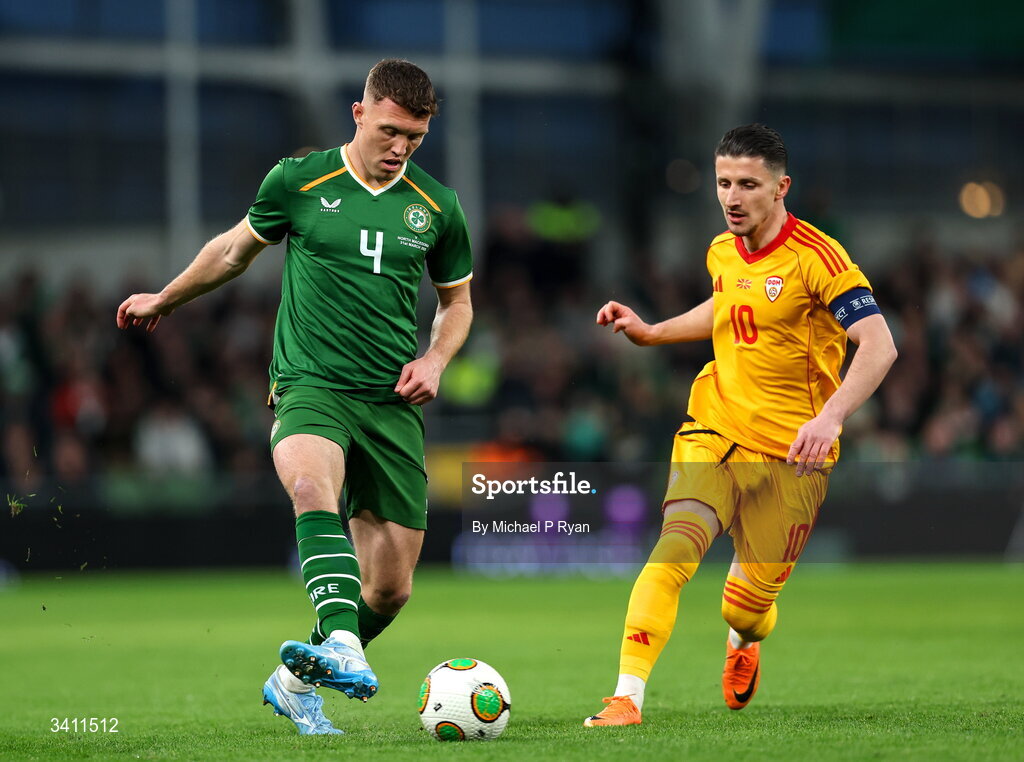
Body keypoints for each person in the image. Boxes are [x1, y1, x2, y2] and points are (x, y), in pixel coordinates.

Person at [116, 59, 473, 735]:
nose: (401, 148)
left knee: (391, 589)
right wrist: (166, 297)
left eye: (417, 138)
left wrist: (436, 357)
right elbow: (232, 252)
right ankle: (339, 643)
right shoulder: (298, 180)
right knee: (312, 487)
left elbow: (458, 304)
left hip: (391, 403)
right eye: (393, 131)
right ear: (360, 112)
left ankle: (292, 681)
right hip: (310, 384)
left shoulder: (438, 207)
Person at [584, 124, 896, 726]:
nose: (732, 196)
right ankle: (626, 697)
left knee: (744, 608)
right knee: (674, 549)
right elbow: (727, 304)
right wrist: (653, 330)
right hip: (715, 427)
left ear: (781, 187)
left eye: (748, 184)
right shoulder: (721, 249)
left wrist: (831, 419)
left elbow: (879, 344)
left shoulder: (819, 258)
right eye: (724, 182)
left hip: (792, 453)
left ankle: (744, 642)